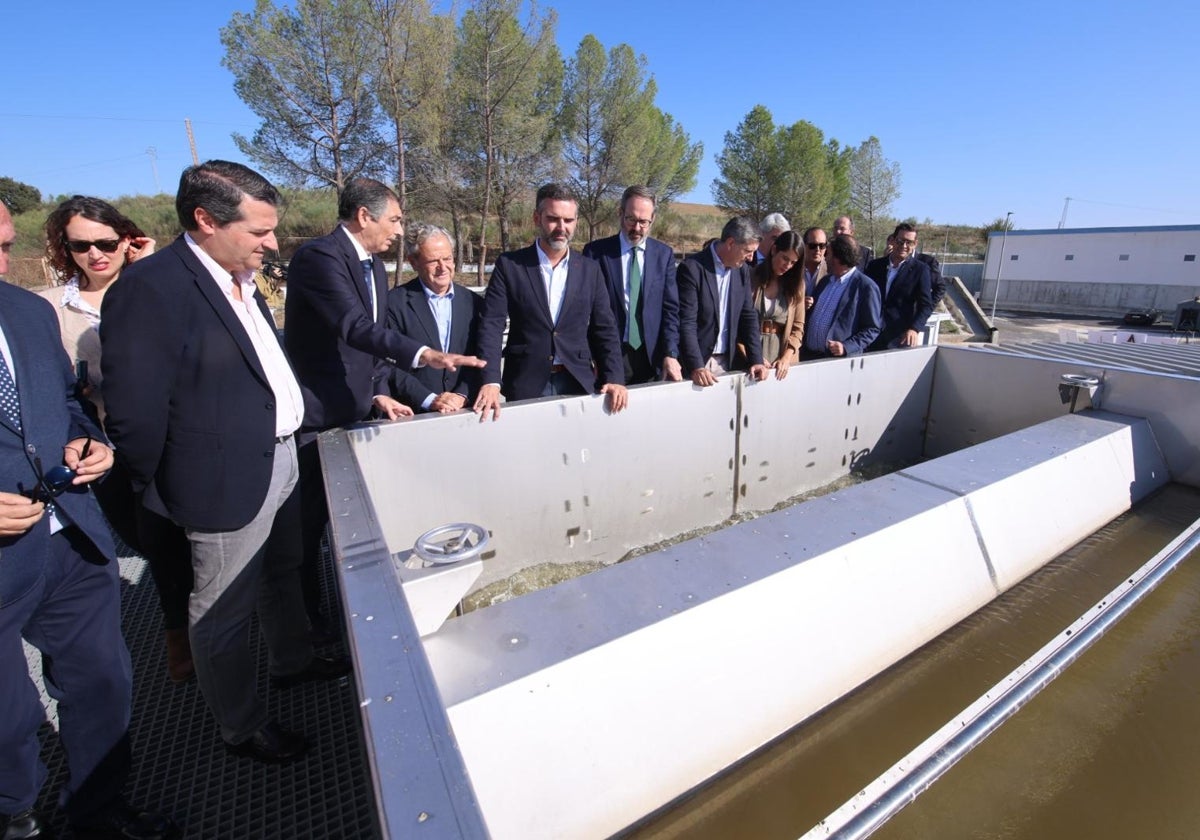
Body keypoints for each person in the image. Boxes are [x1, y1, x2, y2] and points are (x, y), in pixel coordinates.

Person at [101, 161, 348, 764]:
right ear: (206, 220)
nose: (271, 244)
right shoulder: (152, 289)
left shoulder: (240, 275)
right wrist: (166, 488)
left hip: (281, 458)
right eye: (259, 232)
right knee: (221, 612)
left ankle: (290, 662)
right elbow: (135, 413)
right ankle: (242, 727)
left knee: (284, 570)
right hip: (222, 482)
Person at [1, 202, 179, 840]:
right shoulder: (49, 307)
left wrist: (87, 441)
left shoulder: (25, 314)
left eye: (3, 244)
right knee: (9, 716)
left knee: (102, 682)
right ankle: (15, 813)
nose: (0, 262)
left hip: (69, 534)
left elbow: (66, 405)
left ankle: (97, 810)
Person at [284, 178, 483, 635]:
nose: (397, 229)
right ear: (363, 216)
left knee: (359, 528)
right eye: (393, 220)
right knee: (309, 529)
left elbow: (367, 349)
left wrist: (379, 391)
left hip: (360, 412)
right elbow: (353, 326)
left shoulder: (372, 266)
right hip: (320, 417)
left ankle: (354, 616)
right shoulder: (320, 259)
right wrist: (424, 355)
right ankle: (310, 629)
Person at [39, 197, 196, 683]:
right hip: (100, 445)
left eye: (107, 242)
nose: (96, 254)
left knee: (167, 538)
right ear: (66, 249)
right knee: (141, 538)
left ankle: (184, 636)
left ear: (127, 239)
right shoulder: (51, 308)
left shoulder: (154, 287)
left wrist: (146, 269)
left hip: (167, 437)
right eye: (82, 245)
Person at [473, 183, 627, 421]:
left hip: (578, 380)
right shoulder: (510, 265)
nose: (561, 228)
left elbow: (604, 327)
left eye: (568, 220)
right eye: (553, 219)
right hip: (526, 381)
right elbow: (491, 325)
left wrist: (614, 376)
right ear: (537, 218)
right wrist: (491, 380)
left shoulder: (590, 269)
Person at [582, 185, 682, 384]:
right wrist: (589, 355)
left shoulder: (664, 255)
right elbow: (585, 311)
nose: (637, 228)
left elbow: (670, 310)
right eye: (631, 219)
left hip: (651, 356)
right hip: (609, 356)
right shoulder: (596, 253)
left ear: (652, 219)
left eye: (644, 222)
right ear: (620, 213)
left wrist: (670, 352)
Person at [385, 223, 482, 412]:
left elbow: (482, 355)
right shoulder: (394, 303)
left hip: (465, 410)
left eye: (447, 258)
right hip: (413, 412)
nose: (442, 267)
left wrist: (461, 395)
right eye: (433, 261)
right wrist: (429, 399)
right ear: (413, 262)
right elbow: (388, 363)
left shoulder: (474, 303)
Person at [677, 216, 769, 386]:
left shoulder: (742, 272)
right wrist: (696, 365)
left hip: (729, 362)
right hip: (698, 366)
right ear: (731, 243)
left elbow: (748, 317)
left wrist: (756, 359)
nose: (751, 257)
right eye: (748, 251)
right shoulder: (692, 269)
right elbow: (687, 322)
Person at [801, 234, 881, 359]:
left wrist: (846, 347)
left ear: (838, 257)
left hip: (836, 362)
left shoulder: (866, 287)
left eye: (828, 253)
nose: (824, 257)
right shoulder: (825, 281)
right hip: (808, 356)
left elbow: (872, 329)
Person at [745, 230, 806, 379]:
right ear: (774, 250)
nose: (788, 266)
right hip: (749, 356)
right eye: (785, 258)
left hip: (783, 362)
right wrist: (755, 357)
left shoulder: (797, 286)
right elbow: (739, 323)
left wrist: (786, 358)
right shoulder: (750, 277)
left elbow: (798, 328)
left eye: (793, 262)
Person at [864, 223, 933, 350]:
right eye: (900, 241)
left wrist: (914, 328)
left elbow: (926, 305)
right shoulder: (874, 266)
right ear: (893, 240)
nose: (904, 246)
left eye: (909, 242)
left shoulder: (920, 270)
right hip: (869, 336)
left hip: (897, 338)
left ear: (915, 244)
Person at [801, 226, 829, 311]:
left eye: (822, 245)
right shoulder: (792, 267)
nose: (817, 250)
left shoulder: (831, 271)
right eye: (812, 246)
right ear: (803, 245)